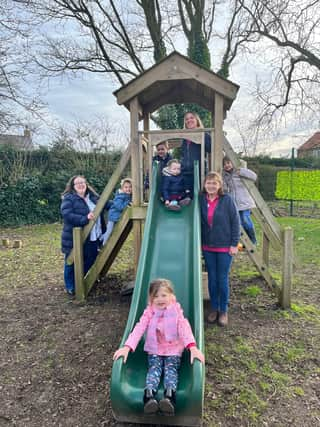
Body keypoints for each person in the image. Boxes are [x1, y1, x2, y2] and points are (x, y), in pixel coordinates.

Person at [113, 278, 205, 415]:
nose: (160, 299)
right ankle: (149, 397)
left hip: (173, 349)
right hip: (155, 348)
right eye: (156, 296)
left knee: (170, 369)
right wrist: (127, 347)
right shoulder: (149, 312)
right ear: (151, 298)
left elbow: (184, 328)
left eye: (164, 295)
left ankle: (169, 397)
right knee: (154, 369)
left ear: (171, 296)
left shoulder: (176, 311)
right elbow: (139, 328)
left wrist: (192, 347)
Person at [200, 172, 240, 326]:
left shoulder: (226, 200)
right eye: (208, 183)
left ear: (219, 185)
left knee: (222, 279)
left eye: (214, 183)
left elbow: (235, 222)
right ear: (205, 185)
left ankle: (223, 310)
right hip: (208, 246)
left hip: (224, 246)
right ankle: (214, 308)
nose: (211, 186)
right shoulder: (201, 200)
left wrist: (234, 244)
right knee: (212, 278)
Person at [61, 175, 108, 296]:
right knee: (71, 261)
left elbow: (106, 204)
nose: (81, 185)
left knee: (91, 257)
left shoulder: (93, 197)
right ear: (73, 187)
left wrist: (122, 200)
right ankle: (70, 285)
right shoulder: (69, 199)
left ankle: (79, 278)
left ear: (86, 184)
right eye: (78, 183)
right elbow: (67, 214)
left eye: (83, 182)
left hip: (93, 235)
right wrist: (84, 219)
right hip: (73, 236)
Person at [222, 156, 257, 244]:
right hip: (234, 203)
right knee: (239, 223)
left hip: (244, 202)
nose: (227, 165)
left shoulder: (239, 171)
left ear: (233, 163)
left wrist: (242, 171)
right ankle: (246, 243)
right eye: (224, 164)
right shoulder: (225, 175)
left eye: (228, 163)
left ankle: (253, 240)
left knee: (246, 220)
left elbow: (254, 176)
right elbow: (225, 189)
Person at [181, 111, 211, 197]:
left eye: (191, 118)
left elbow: (210, 148)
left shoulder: (203, 134)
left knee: (199, 193)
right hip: (186, 170)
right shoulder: (184, 137)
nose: (189, 120)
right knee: (187, 194)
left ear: (196, 120)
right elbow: (183, 153)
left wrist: (202, 135)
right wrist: (182, 164)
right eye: (186, 119)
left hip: (199, 169)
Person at [101, 178, 132, 245]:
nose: (128, 189)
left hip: (117, 217)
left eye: (130, 187)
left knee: (113, 232)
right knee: (109, 231)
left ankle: (101, 238)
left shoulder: (127, 196)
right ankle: (103, 243)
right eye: (126, 187)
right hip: (113, 217)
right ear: (122, 188)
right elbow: (120, 207)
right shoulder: (119, 197)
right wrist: (128, 203)